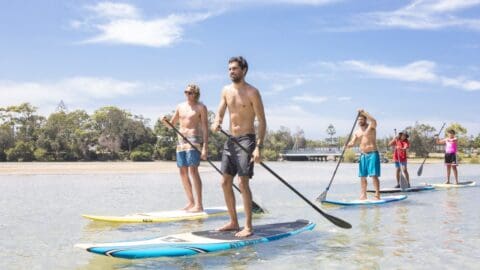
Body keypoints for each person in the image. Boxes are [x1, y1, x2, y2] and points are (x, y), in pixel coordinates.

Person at [211, 56, 266, 237]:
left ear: (244, 70)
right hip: (230, 140)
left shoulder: (252, 92)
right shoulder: (226, 90)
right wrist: (217, 121)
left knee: (242, 182)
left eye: (234, 68)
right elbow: (220, 110)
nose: (231, 72)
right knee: (225, 181)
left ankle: (248, 226)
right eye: (229, 69)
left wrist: (258, 147)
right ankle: (234, 221)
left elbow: (262, 121)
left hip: (246, 140)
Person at [162, 84, 208, 212]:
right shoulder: (180, 106)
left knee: (193, 171)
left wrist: (205, 147)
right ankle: (191, 202)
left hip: (194, 140)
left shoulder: (201, 107)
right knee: (182, 172)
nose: (188, 94)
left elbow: (205, 127)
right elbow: (171, 125)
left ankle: (199, 205)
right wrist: (165, 121)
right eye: (186, 92)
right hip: (181, 141)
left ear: (196, 94)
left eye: (190, 92)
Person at [346, 109, 381, 200]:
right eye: (359, 119)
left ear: (365, 120)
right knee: (362, 176)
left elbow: (373, 120)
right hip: (363, 155)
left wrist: (364, 113)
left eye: (362, 119)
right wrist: (348, 145)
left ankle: (377, 195)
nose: (360, 121)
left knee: (374, 175)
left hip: (373, 153)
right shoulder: (357, 132)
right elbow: (352, 142)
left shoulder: (371, 127)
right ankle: (363, 195)